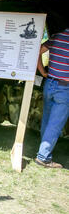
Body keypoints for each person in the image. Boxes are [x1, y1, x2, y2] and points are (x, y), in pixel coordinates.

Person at [35, 27, 69, 168]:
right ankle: (43, 157)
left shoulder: (57, 35)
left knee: (48, 120)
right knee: (55, 124)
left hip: (50, 83)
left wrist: (43, 71)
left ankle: (44, 149)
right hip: (64, 88)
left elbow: (38, 50)